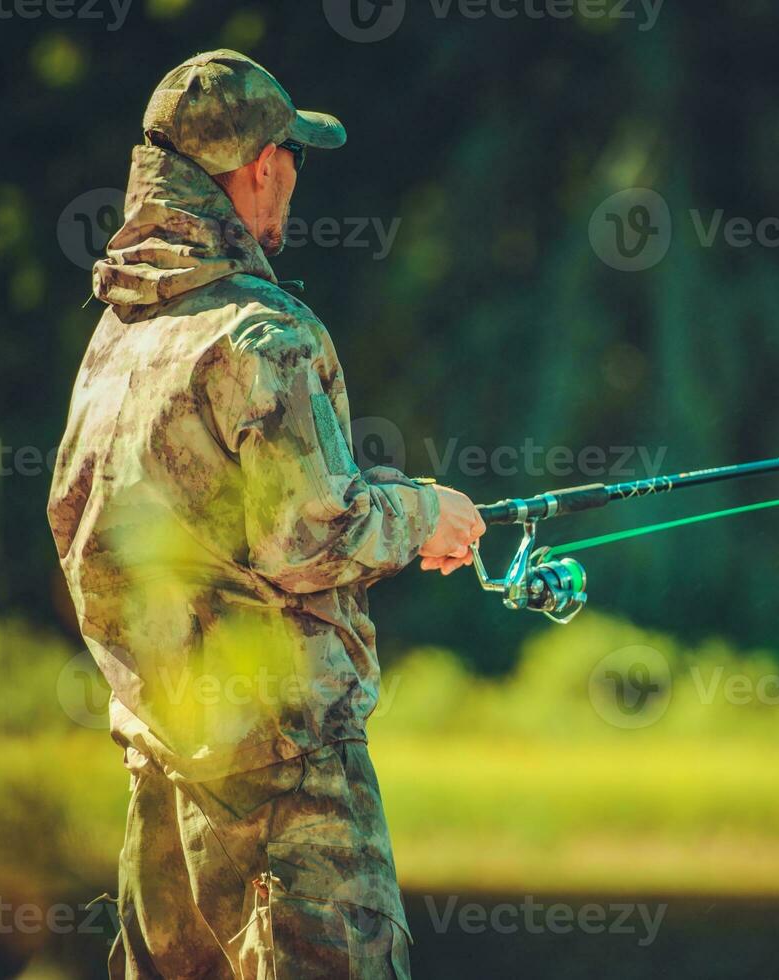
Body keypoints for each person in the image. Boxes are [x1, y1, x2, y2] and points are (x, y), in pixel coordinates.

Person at [45, 49, 480, 978]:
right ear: (258, 165)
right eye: (292, 156)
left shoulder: (120, 333)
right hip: (288, 779)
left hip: (162, 772)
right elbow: (310, 534)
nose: (292, 178)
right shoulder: (260, 333)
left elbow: (74, 521)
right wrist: (425, 516)